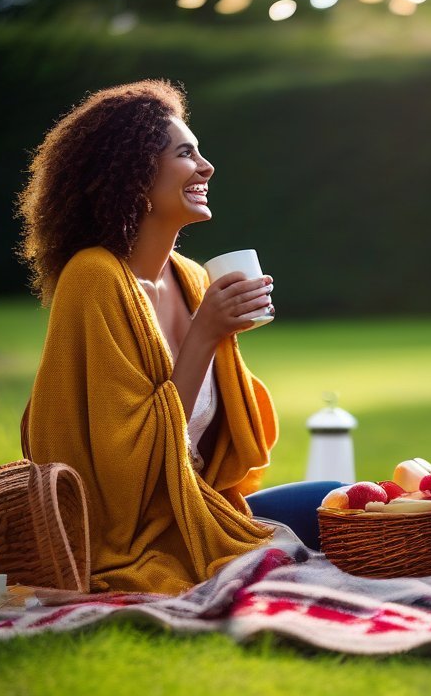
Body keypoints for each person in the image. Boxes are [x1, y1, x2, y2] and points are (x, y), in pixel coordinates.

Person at [20, 80, 338, 595]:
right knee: (305, 551)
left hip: (204, 509)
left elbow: (231, 451)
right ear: (135, 173)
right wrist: (204, 334)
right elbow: (125, 477)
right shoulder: (94, 278)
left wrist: (226, 342)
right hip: (136, 538)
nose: (206, 167)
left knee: (345, 500)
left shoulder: (192, 278)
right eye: (186, 154)